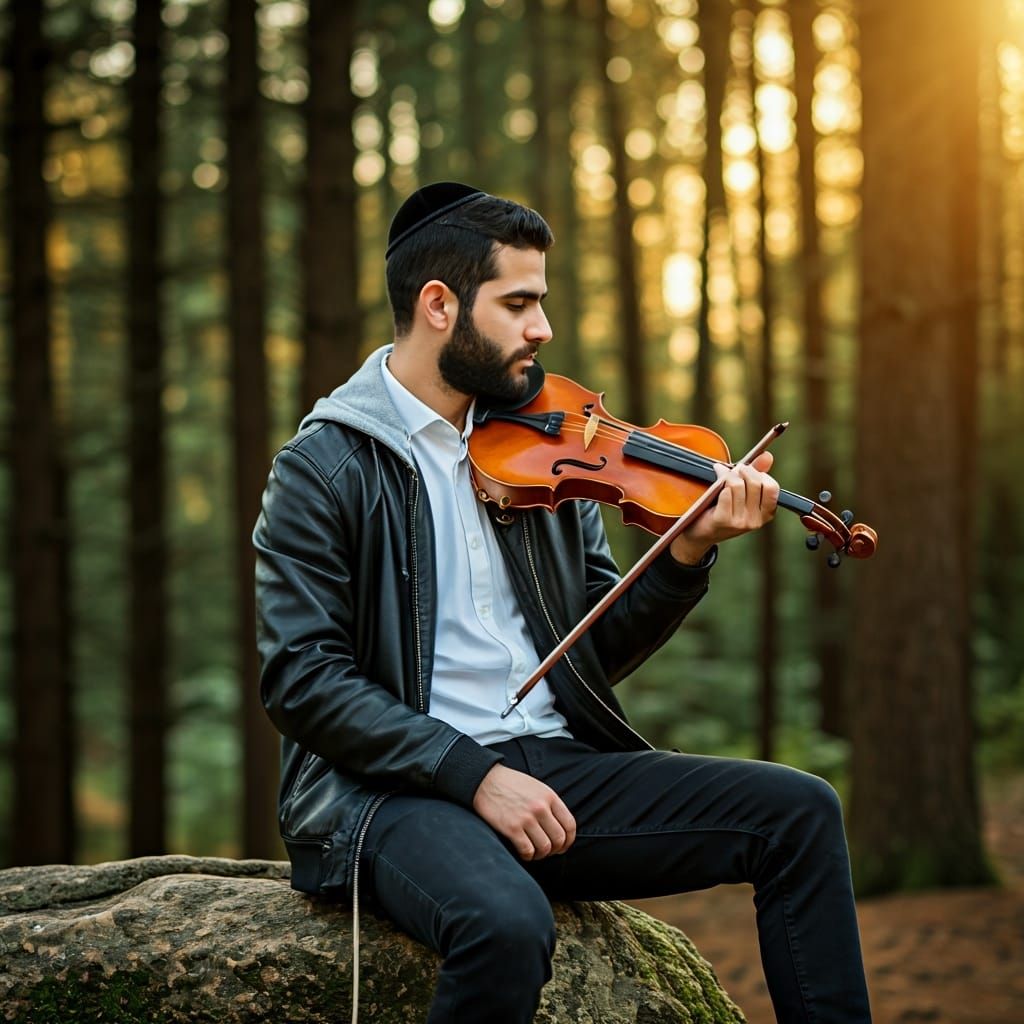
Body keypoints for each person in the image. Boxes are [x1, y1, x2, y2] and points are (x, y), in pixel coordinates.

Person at [253, 182, 872, 1023]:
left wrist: (684, 555)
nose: (542, 329)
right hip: (393, 792)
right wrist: (475, 777)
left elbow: (589, 653)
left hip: (555, 767)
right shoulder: (325, 468)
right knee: (508, 924)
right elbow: (303, 681)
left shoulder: (548, 438)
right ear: (440, 306)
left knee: (799, 813)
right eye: (518, 303)